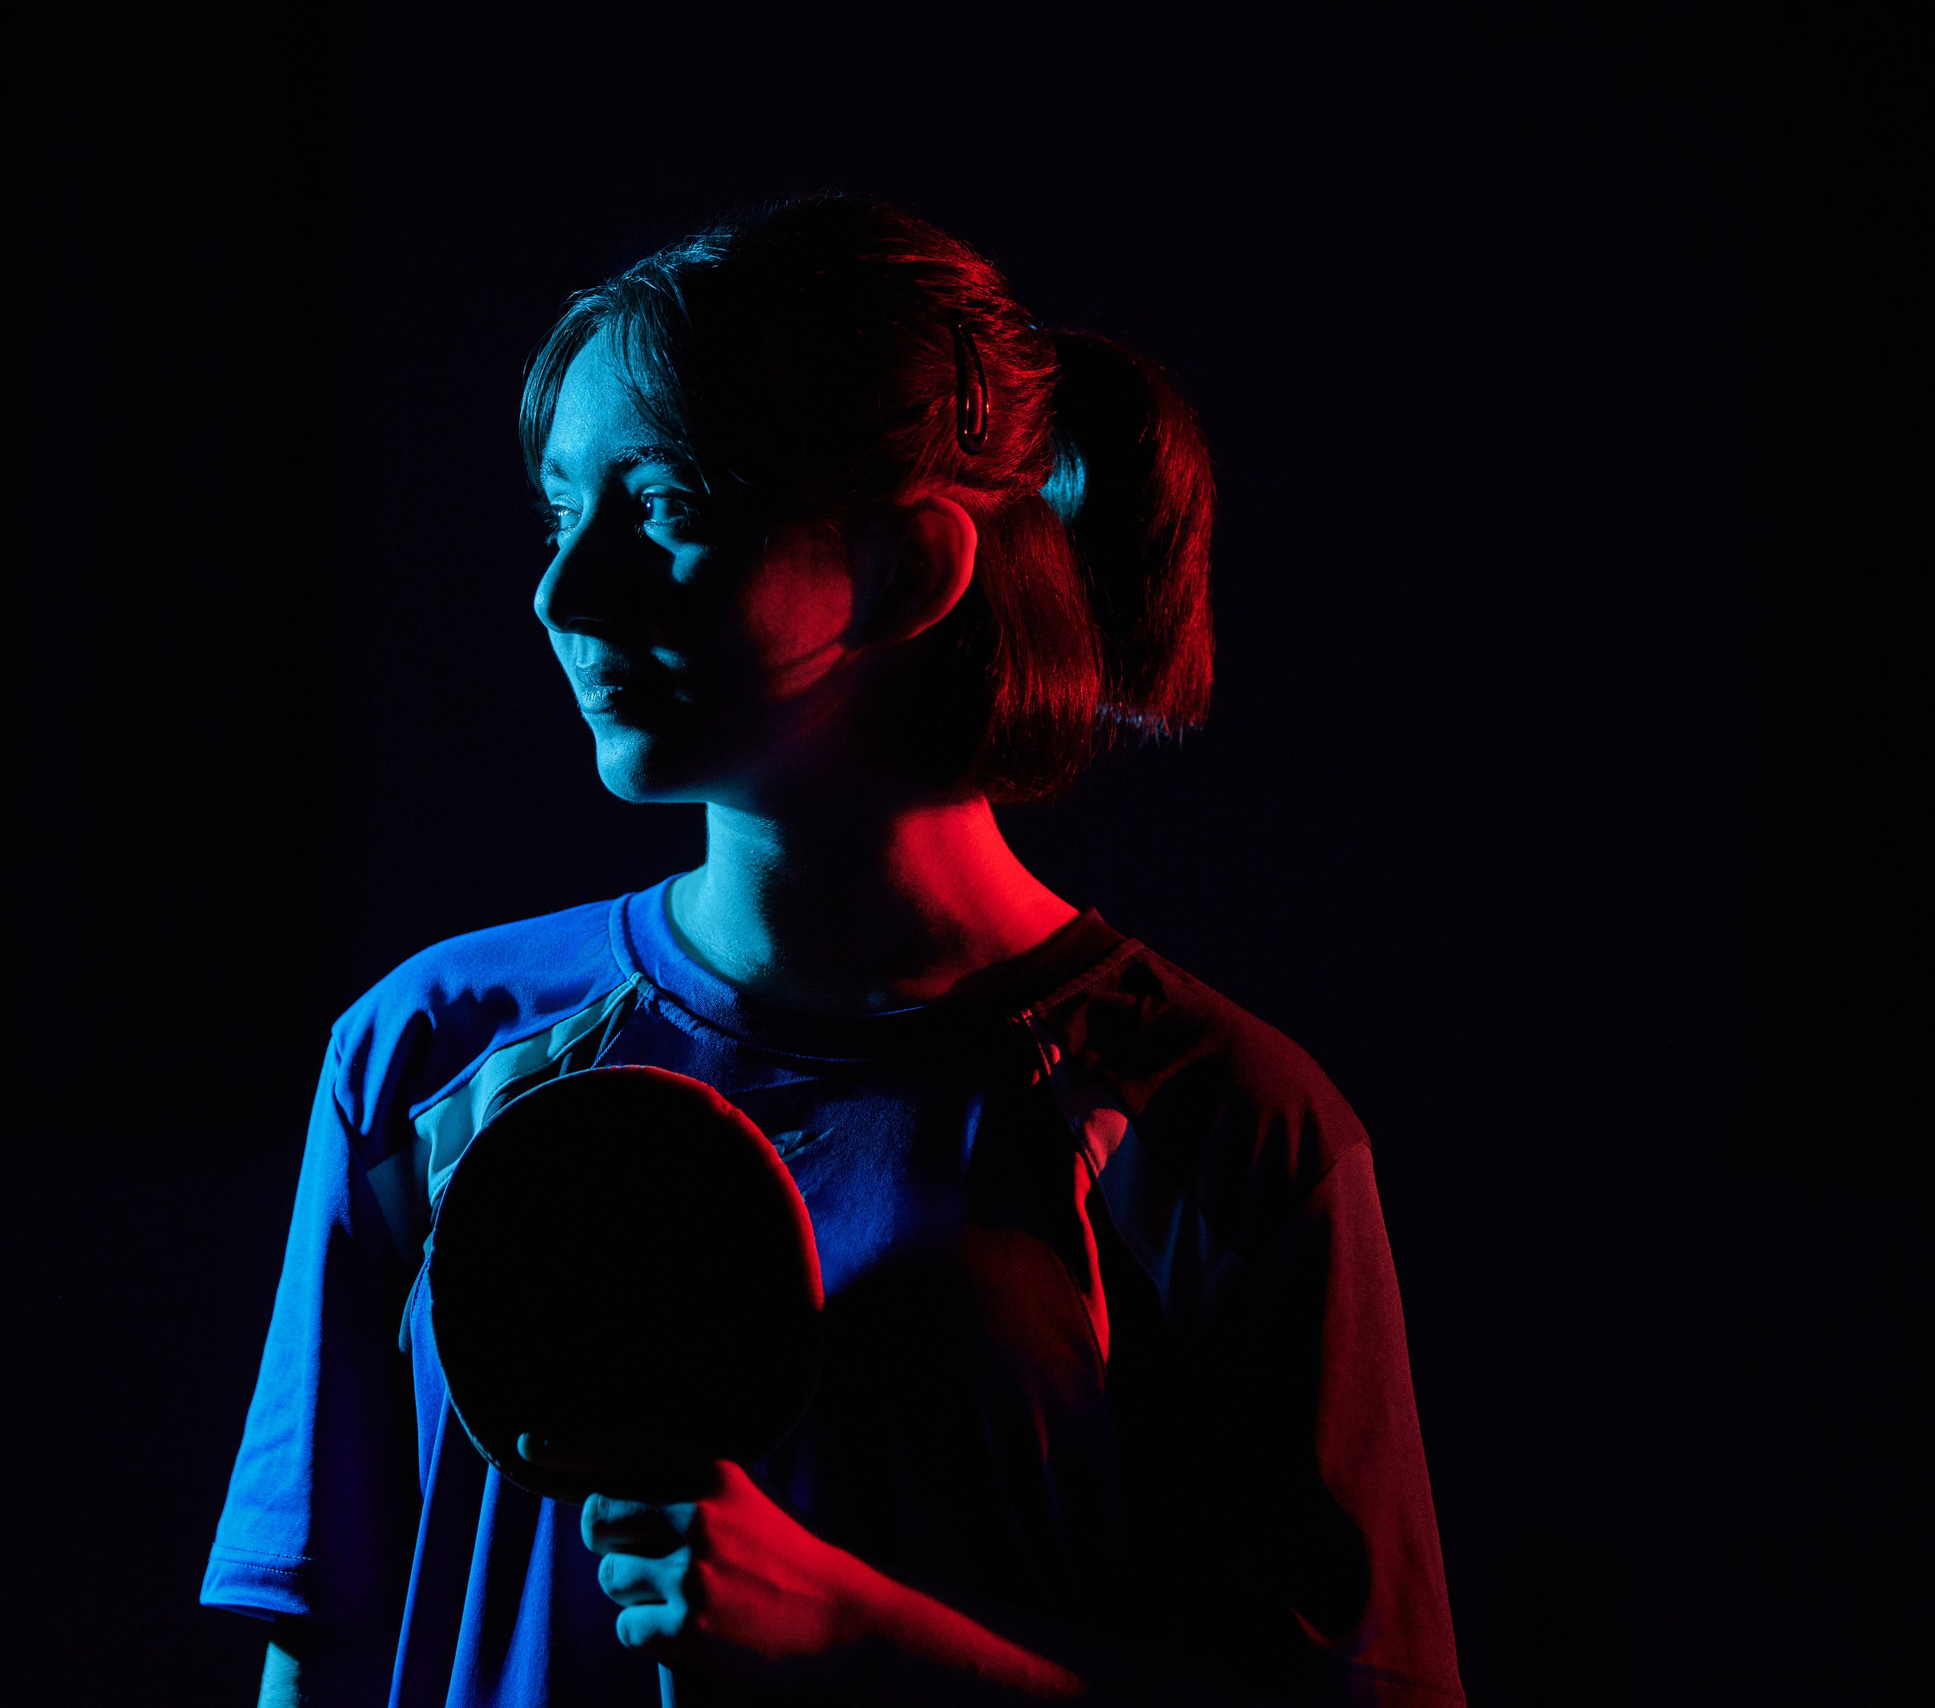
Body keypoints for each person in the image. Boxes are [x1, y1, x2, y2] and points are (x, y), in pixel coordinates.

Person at [203, 196, 1464, 1707]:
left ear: (906, 567)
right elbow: (323, 1649)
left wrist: (860, 1632)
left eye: (663, 508)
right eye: (559, 516)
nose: (562, 591)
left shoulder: (1225, 1130)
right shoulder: (425, 1056)